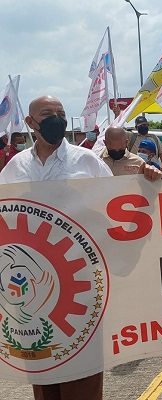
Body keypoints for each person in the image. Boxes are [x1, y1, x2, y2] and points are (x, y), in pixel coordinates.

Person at [0, 95, 111, 399]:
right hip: (30, 281)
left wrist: (149, 181)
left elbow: (115, 207)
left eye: (61, 113)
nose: (56, 119)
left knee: (82, 368)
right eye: (47, 114)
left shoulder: (87, 161)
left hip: (81, 280)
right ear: (30, 123)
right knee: (42, 364)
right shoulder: (16, 166)